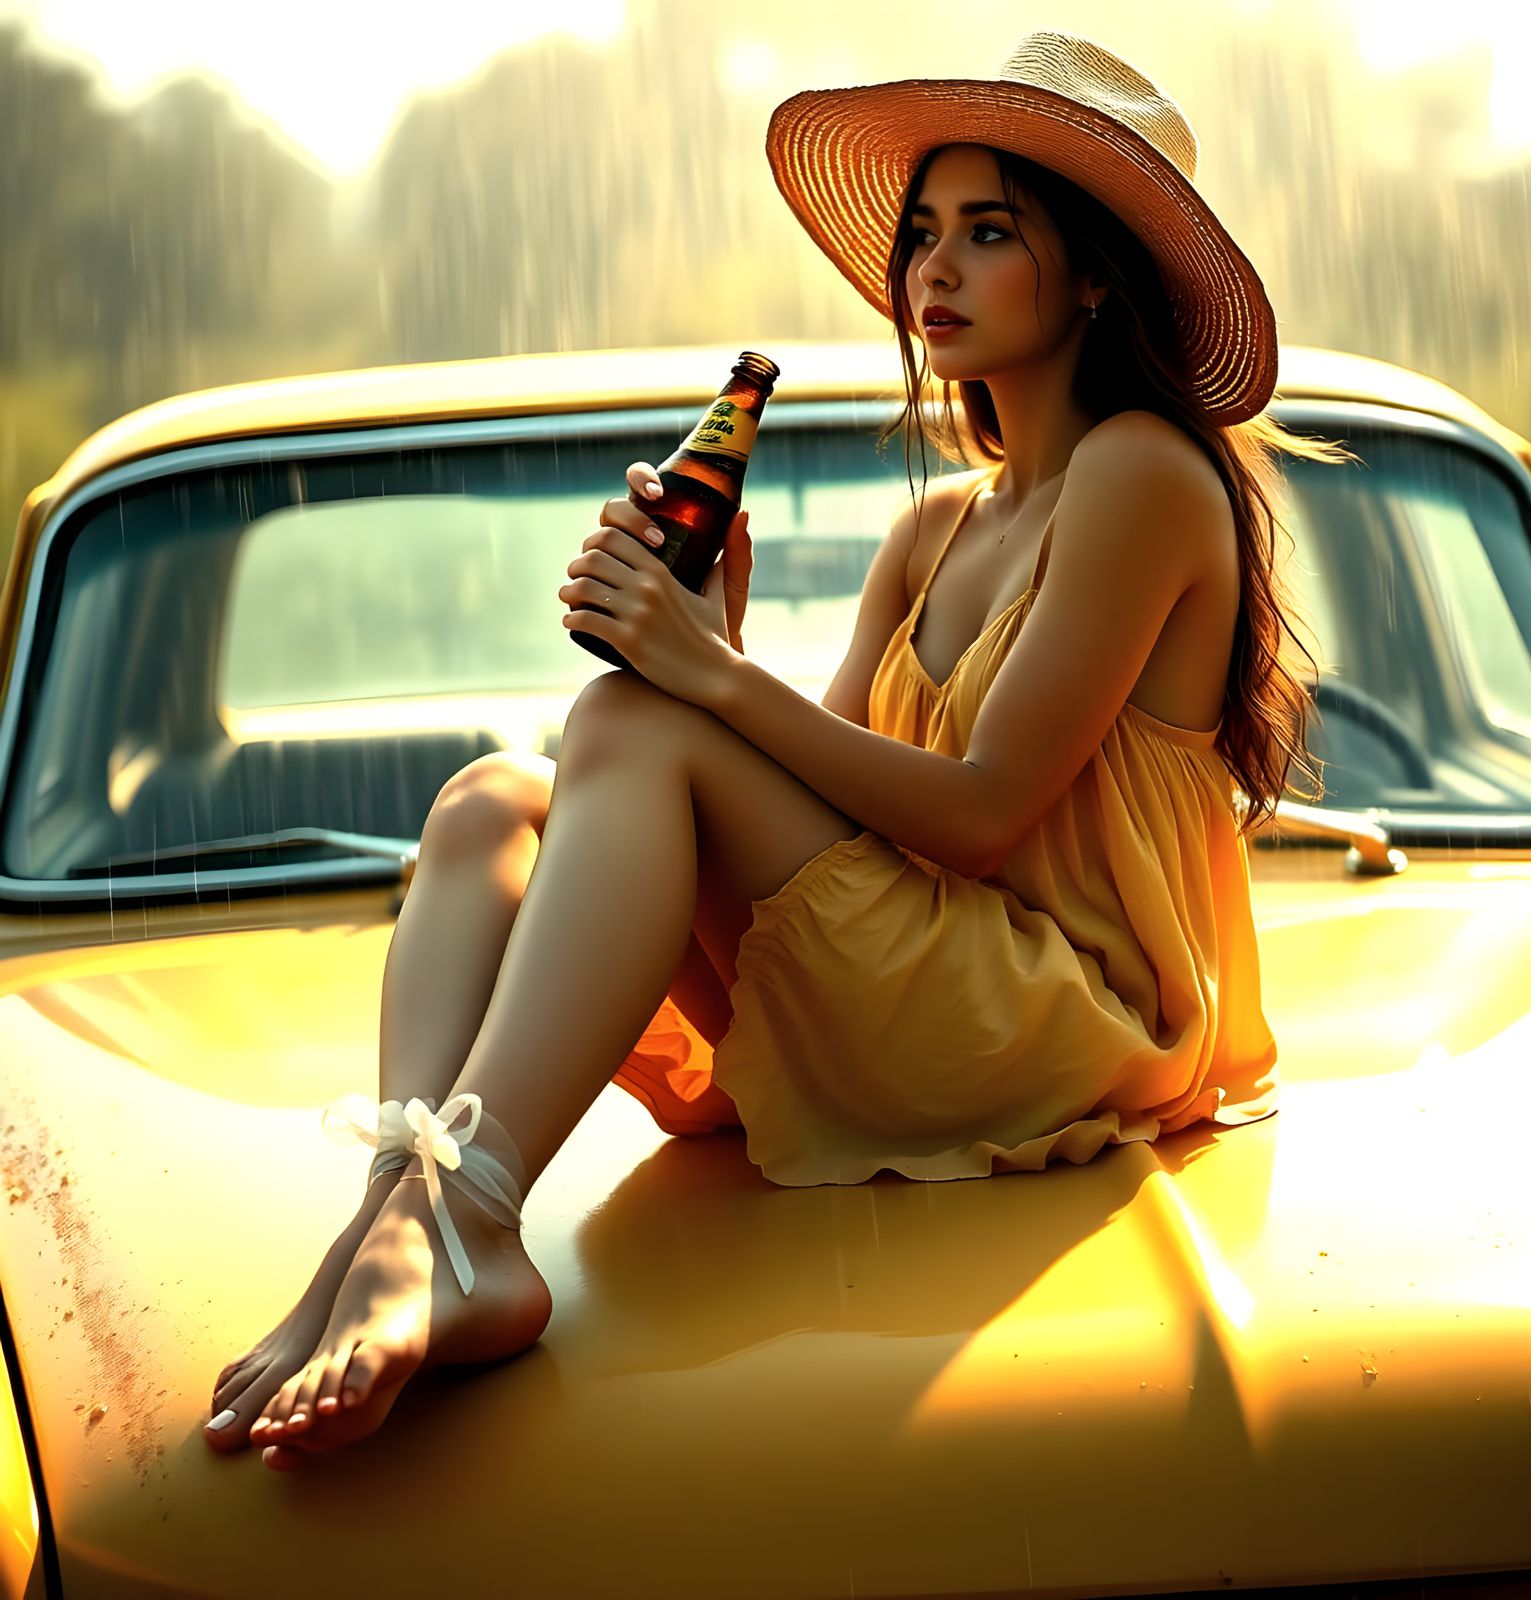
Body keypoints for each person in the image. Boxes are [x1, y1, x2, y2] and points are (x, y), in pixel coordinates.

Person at [204, 30, 1346, 1470]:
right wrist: (716, 641)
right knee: (490, 802)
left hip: (1069, 1016)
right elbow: (849, 811)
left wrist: (710, 681)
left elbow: (982, 816)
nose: (932, 268)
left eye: (988, 233)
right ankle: (402, 1214)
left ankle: (471, 1217)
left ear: (1100, 271)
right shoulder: (936, 530)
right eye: (922, 232)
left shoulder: (1145, 477)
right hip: (940, 976)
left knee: (629, 717)